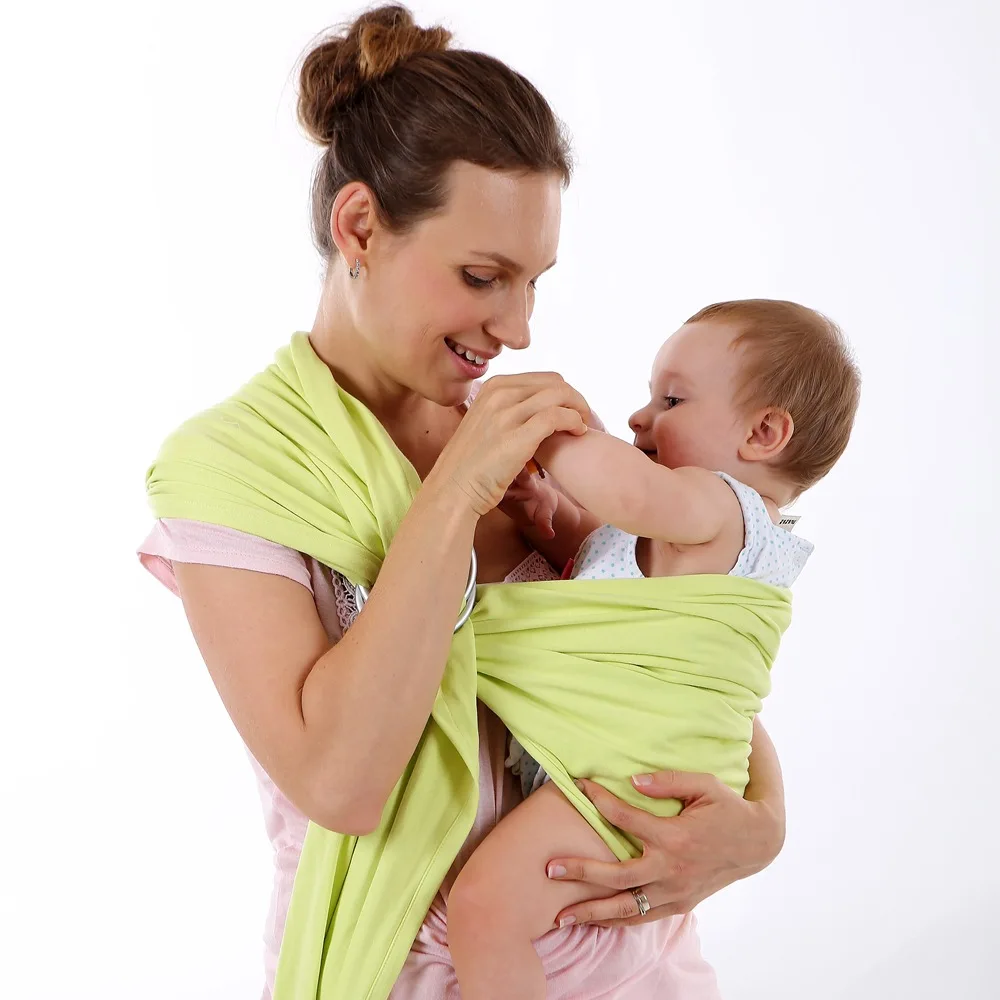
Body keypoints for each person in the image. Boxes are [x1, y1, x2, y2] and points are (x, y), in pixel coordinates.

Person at [138, 6, 788, 997]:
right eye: (484, 277)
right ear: (359, 227)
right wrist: (453, 494)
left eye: (532, 283)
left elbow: (670, 663)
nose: (518, 329)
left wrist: (763, 823)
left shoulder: (540, 453)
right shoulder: (233, 469)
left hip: (642, 971)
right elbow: (340, 782)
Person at [446, 299, 860, 998]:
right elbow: (609, 579)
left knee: (485, 908)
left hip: (636, 777)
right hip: (628, 765)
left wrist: (550, 426)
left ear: (762, 433)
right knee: (491, 906)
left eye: (672, 400)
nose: (640, 418)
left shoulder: (725, 506)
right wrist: (549, 518)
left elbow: (629, 493)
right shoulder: (686, 533)